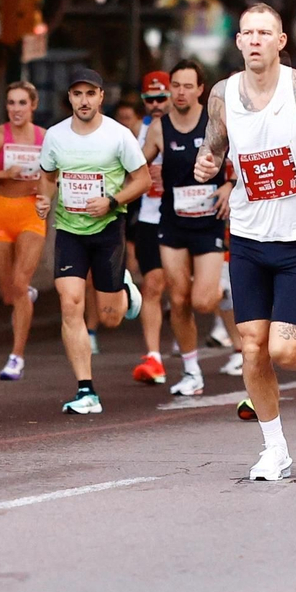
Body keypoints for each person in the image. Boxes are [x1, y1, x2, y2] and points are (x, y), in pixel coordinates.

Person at [195, 5, 296, 481]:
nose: (256, 40)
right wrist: (205, 163)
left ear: (281, 41)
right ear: (238, 42)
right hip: (247, 234)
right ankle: (275, 449)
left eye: (266, 32)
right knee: (251, 346)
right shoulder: (222, 94)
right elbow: (214, 143)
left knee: (286, 351)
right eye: (248, 33)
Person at [35, 69, 147, 414]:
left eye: (90, 94)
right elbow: (47, 176)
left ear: (101, 97)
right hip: (69, 231)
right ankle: (86, 390)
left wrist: (112, 201)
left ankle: (124, 291)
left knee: (111, 317)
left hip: (108, 230)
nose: (83, 101)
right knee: (70, 304)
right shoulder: (54, 136)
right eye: (77, 94)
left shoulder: (118, 136)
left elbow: (141, 180)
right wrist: (43, 200)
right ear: (69, 98)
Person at [144, 60, 232, 398]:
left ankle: (227, 296)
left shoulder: (216, 123)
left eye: (186, 86)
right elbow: (138, 166)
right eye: (175, 86)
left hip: (208, 224)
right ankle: (192, 370)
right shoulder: (158, 128)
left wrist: (229, 186)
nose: (179, 92)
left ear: (200, 90)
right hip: (172, 222)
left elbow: (239, 159)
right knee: (178, 299)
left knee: (203, 301)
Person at [0, 80, 48, 381]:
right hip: (1, 211)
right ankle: (21, 294)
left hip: (30, 213)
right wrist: (4, 173)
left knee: (18, 283)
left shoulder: (44, 138)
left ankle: (16, 357)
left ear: (33, 105)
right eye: (11, 103)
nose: (16, 109)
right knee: (8, 293)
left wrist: (43, 188)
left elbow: (55, 175)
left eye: (22, 103)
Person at [125, 75, 172, 386]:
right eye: (149, 99)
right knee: (153, 285)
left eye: (161, 98)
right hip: (149, 218)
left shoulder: (188, 126)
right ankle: (153, 356)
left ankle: (234, 347)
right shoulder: (135, 132)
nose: (155, 106)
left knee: (191, 295)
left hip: (186, 218)